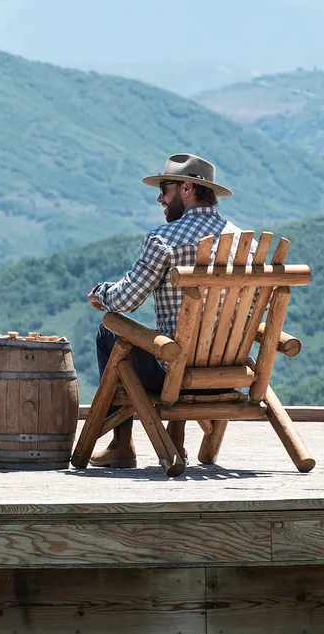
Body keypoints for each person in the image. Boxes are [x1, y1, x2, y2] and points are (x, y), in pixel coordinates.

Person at [85, 153, 248, 468]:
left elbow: (126, 301)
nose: (160, 197)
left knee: (112, 329)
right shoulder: (245, 243)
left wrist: (102, 293)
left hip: (175, 373)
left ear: (187, 188)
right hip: (230, 373)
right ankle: (176, 436)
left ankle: (121, 444)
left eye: (165, 188)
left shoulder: (165, 240)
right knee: (181, 339)